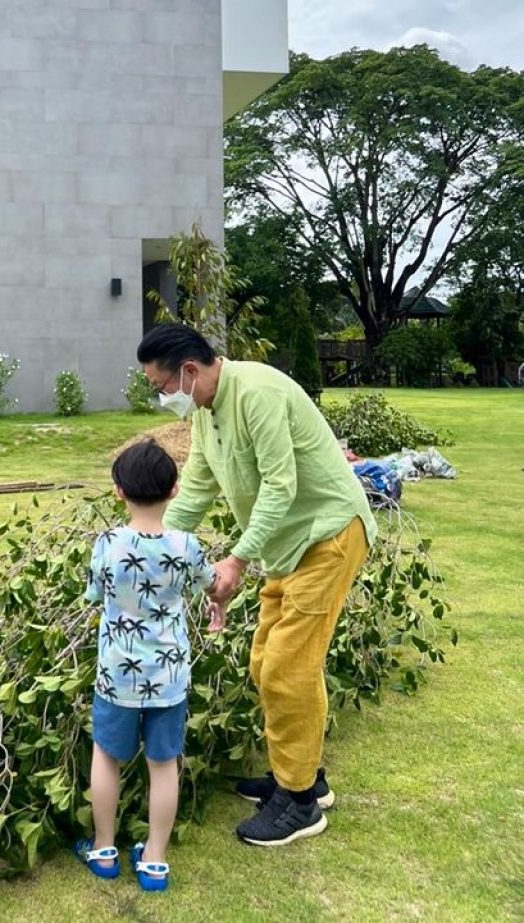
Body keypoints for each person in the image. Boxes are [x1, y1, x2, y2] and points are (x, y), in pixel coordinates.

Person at [137, 323, 378, 847]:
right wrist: (149, 545)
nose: (162, 397)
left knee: (289, 668)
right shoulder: (206, 411)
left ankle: (299, 804)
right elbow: (197, 486)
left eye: (161, 386)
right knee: (265, 662)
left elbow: (280, 483)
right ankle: (301, 773)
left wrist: (237, 560)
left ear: (189, 371)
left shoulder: (258, 392)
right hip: (287, 544)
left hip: (328, 533)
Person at [74, 439, 224, 891]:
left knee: (107, 756)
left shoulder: (107, 544)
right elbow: (213, 584)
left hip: (117, 674)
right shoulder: (186, 545)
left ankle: (104, 847)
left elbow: (95, 594)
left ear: (118, 491)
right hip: (169, 677)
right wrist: (220, 606)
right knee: (164, 764)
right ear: (175, 490)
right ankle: (155, 859)